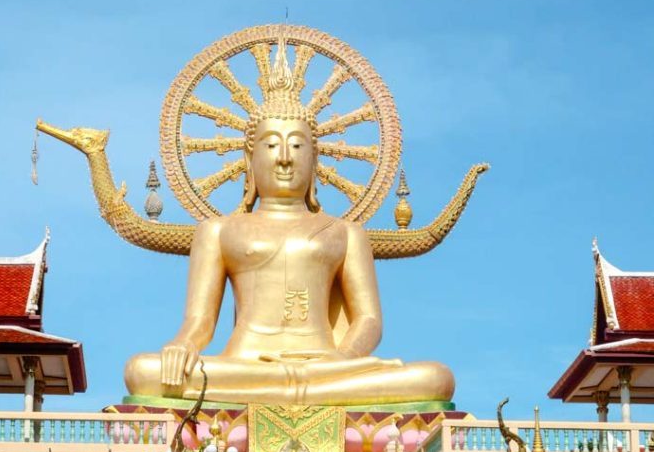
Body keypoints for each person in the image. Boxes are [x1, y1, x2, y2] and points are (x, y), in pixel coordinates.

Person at [125, 41, 454, 407]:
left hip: (327, 367)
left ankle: (306, 390)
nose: (284, 158)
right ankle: (301, 392)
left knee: (436, 378)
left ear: (315, 159)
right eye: (270, 146)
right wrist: (183, 345)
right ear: (249, 159)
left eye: (297, 146)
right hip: (245, 366)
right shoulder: (217, 230)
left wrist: (342, 360)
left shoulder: (346, 232)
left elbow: (370, 321)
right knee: (143, 372)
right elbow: (200, 320)